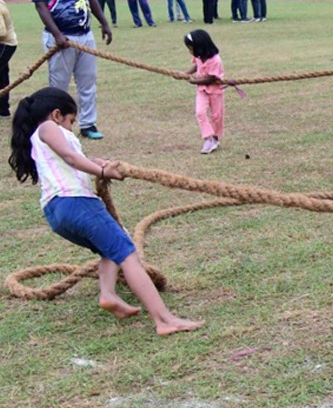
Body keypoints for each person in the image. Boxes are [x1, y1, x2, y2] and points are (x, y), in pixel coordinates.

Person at [7, 86, 203, 335]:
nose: (70, 126)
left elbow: (73, 161)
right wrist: (102, 171)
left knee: (110, 247)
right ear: (56, 115)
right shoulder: (47, 128)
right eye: (71, 121)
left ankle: (108, 294)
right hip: (76, 203)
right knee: (127, 253)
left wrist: (97, 163)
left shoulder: (43, 139)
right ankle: (164, 320)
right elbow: (70, 157)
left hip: (57, 212)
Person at [32, 0, 112, 141]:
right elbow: (41, 6)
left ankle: (88, 124)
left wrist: (104, 23)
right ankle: (56, 128)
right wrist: (58, 35)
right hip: (60, 39)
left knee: (88, 82)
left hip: (85, 35)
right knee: (59, 86)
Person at [184, 30, 225, 154]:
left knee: (216, 116)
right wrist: (185, 74)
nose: (190, 51)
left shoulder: (215, 60)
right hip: (202, 90)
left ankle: (215, 138)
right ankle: (208, 138)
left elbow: (211, 78)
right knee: (200, 112)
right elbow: (196, 65)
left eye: (191, 48)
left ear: (200, 46)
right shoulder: (199, 56)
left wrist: (194, 81)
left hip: (215, 90)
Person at [0, 0, 16, 118]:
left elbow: (1, 32)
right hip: (6, 44)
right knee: (2, 76)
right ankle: (3, 110)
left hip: (5, 44)